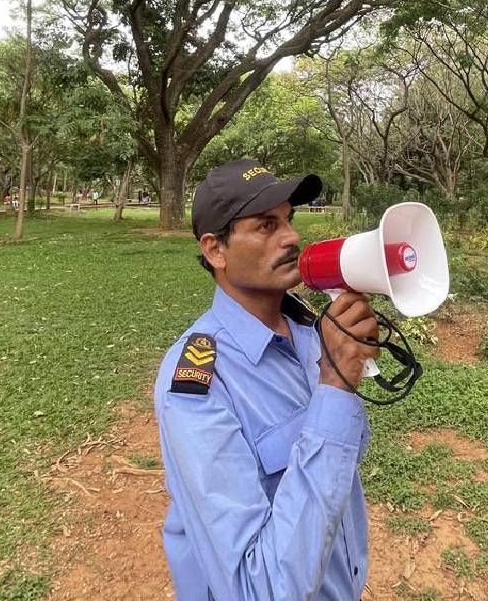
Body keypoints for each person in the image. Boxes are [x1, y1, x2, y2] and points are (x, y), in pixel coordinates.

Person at [154, 158, 379, 601]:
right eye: (265, 225)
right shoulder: (199, 383)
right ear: (216, 250)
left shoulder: (308, 332)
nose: (292, 236)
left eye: (289, 220)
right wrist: (333, 383)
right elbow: (257, 587)